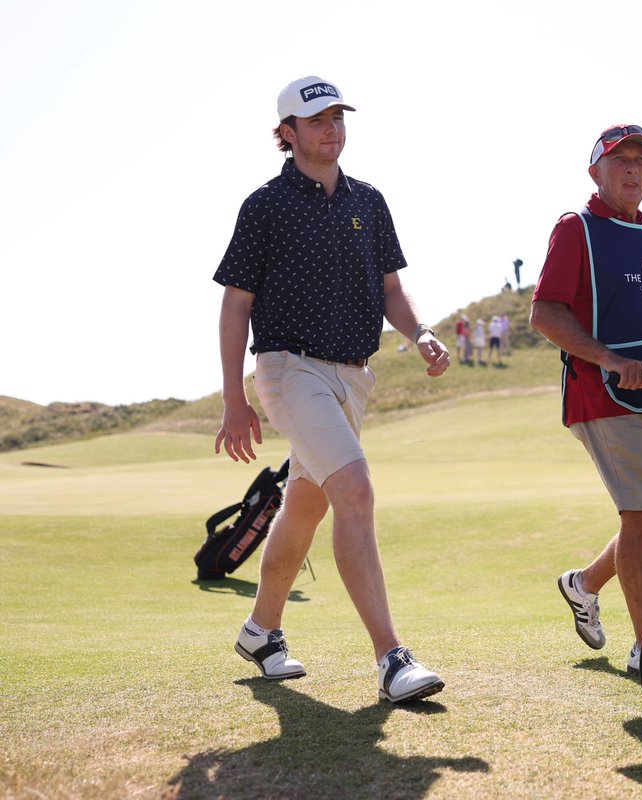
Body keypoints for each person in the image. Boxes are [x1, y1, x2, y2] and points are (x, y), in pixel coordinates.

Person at [213, 75, 450, 704]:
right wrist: (235, 400)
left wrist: (420, 332)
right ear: (287, 134)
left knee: (307, 506)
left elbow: (391, 289)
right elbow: (237, 305)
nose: (332, 129)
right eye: (317, 120)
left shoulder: (369, 201)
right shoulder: (264, 205)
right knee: (355, 488)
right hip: (290, 369)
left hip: (353, 376)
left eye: (338, 118)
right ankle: (391, 658)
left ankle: (261, 630)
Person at [530, 124, 642, 677]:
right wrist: (610, 360)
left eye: (641, 161)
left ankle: (585, 583)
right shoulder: (577, 228)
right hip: (605, 393)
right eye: (619, 160)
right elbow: (545, 313)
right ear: (595, 171)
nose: (632, 169)